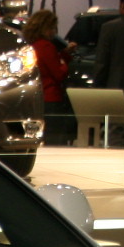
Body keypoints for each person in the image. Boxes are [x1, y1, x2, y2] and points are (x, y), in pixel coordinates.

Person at [23, 9, 72, 145]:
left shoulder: (32, 46)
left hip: (38, 97)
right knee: (55, 140)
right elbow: (59, 73)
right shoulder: (46, 46)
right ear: (44, 28)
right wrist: (64, 63)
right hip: (51, 98)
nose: (54, 32)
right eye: (52, 28)